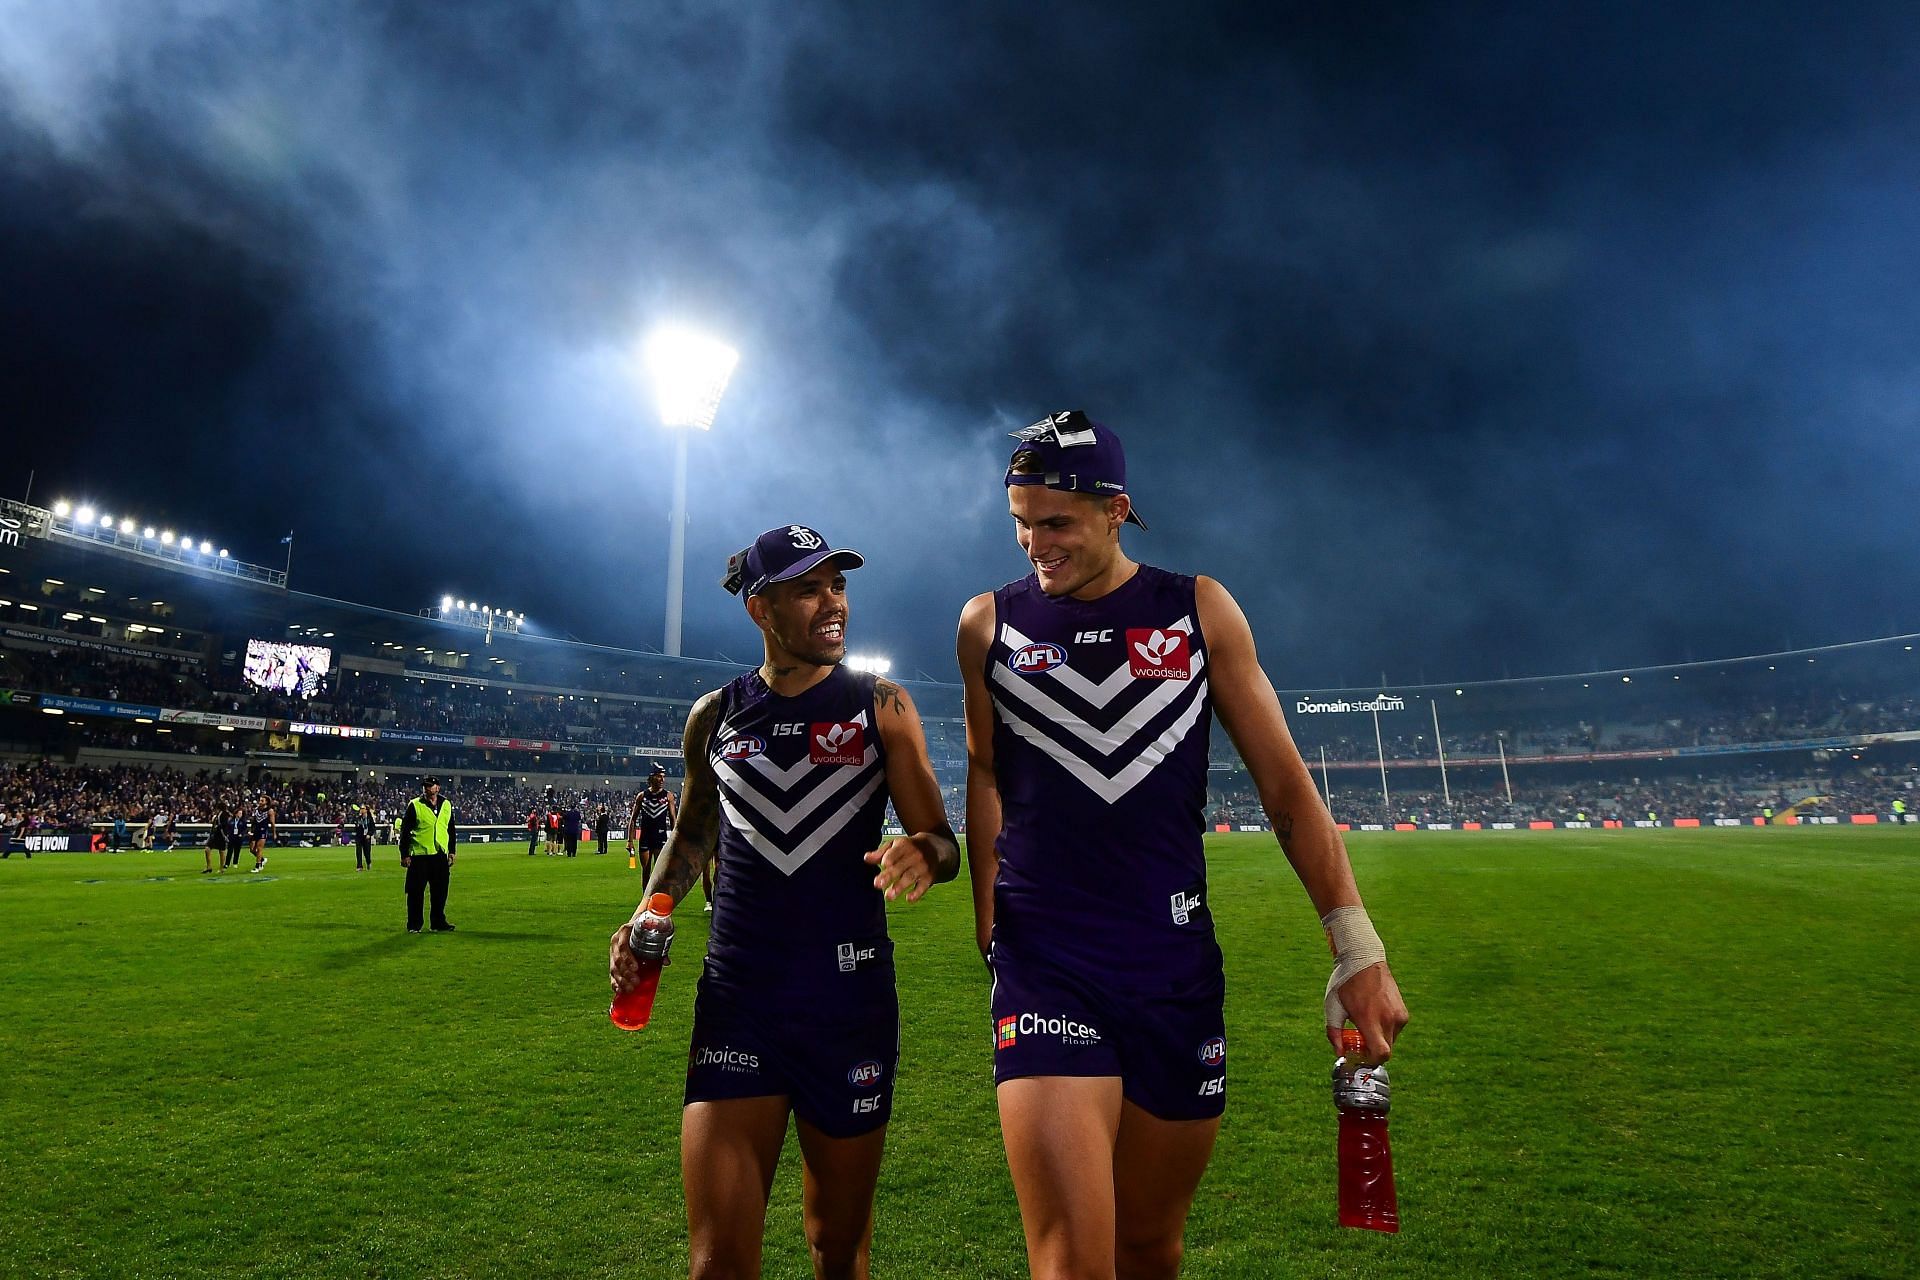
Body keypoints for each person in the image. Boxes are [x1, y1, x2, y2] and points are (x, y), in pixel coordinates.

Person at [956, 411, 1410, 1280]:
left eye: (1055, 522)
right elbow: (984, 769)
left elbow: (1284, 788)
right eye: (1019, 520)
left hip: (1173, 967)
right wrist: (988, 911)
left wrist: (1356, 943)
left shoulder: (1196, 609)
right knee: (1072, 1260)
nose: (1033, 544)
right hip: (1046, 962)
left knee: (1148, 1249)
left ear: (1118, 508)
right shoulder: (988, 624)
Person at [608, 523, 959, 1280]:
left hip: (850, 1004)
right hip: (740, 999)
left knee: (838, 1250)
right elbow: (692, 835)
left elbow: (943, 839)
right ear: (761, 610)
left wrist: (922, 851)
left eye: (838, 586)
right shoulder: (717, 715)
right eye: (810, 590)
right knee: (717, 1264)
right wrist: (650, 909)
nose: (833, 604)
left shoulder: (881, 703)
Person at [397, 776, 456, 933]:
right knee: (415, 892)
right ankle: (414, 925)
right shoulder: (415, 805)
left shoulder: (446, 805)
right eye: (426, 786)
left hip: (439, 854)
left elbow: (450, 829)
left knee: (440, 892)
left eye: (430, 786)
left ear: (438, 788)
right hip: (419, 855)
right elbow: (405, 831)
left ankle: (438, 922)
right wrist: (404, 854)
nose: (427, 788)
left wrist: (451, 851)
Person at [628, 764, 681, 888]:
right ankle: (645, 900)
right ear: (652, 778)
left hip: (660, 837)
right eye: (659, 776)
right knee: (645, 871)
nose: (662, 780)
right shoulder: (642, 796)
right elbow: (632, 819)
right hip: (645, 837)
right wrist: (630, 841)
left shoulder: (668, 796)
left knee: (659, 872)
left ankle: (657, 898)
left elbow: (673, 819)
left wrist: (675, 839)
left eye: (663, 777)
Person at [247, 793, 275, 873]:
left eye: (262, 800)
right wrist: (250, 830)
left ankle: (257, 866)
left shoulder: (270, 811)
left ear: (266, 802)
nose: (260, 802)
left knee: (259, 848)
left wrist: (274, 833)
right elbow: (253, 820)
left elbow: (273, 823)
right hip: (255, 830)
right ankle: (262, 859)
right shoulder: (256, 809)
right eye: (260, 800)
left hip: (263, 830)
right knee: (252, 849)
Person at [353, 804, 375, 870]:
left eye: (363, 809)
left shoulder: (369, 818)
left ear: (366, 810)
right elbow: (356, 827)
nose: (362, 810)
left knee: (367, 852)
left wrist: (369, 834)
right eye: (361, 809)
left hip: (367, 837)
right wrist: (358, 821)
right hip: (359, 837)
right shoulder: (358, 818)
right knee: (358, 851)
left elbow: (373, 828)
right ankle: (359, 866)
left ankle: (368, 862)